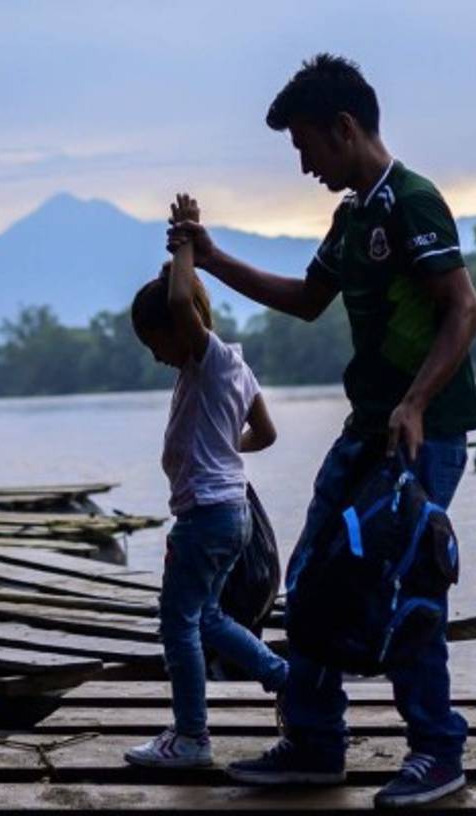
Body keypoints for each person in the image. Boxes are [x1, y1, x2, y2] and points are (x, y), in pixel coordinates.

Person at [166, 55, 476, 807]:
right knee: (310, 577)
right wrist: (210, 257)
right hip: (364, 430)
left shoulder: (411, 201)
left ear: (345, 128)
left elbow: (463, 310)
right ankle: (314, 740)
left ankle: (438, 751)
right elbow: (307, 299)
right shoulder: (352, 218)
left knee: (406, 591)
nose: (303, 163)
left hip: (422, 434)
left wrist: (413, 403)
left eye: (307, 145)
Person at [125, 194, 286, 769]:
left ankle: (191, 737)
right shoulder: (235, 367)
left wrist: (184, 244)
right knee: (210, 617)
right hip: (228, 510)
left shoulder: (209, 358)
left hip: (208, 515)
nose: (156, 357)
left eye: (156, 343)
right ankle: (286, 679)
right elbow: (264, 433)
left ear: (180, 327)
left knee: (177, 626)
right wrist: (221, 450)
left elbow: (176, 297)